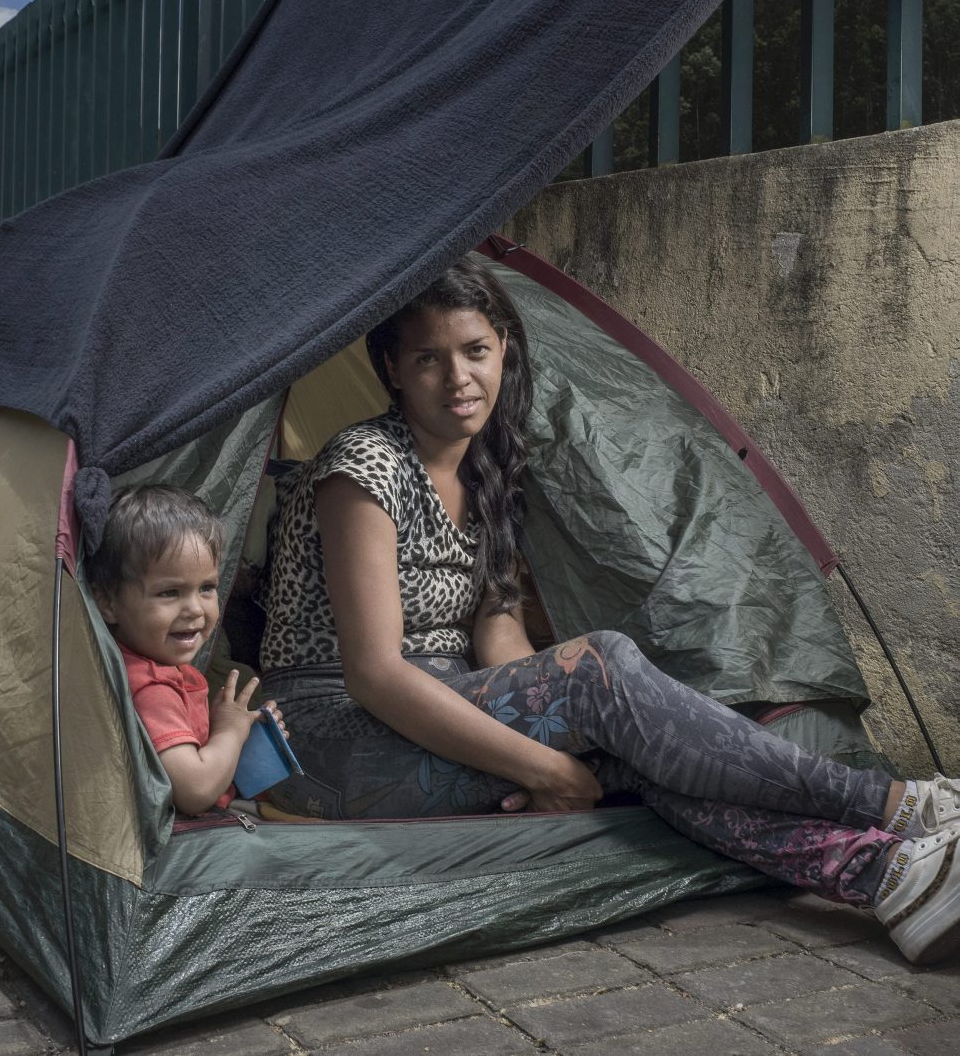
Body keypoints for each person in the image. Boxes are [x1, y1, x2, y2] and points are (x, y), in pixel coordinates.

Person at [259, 253, 960, 964]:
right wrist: (542, 763)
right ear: (392, 370)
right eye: (429, 359)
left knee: (631, 742)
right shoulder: (363, 466)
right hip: (328, 743)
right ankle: (897, 804)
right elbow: (374, 674)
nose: (459, 378)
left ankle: (891, 876)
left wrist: (565, 728)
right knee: (601, 668)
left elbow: (496, 629)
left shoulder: (487, 469)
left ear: (503, 347)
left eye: (475, 351)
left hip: (439, 704)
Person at [90, 483, 287, 816]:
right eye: (170, 593)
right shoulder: (150, 687)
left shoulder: (163, 668)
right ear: (109, 603)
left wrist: (243, 737)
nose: (196, 609)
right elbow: (195, 791)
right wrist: (230, 732)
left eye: (207, 588)